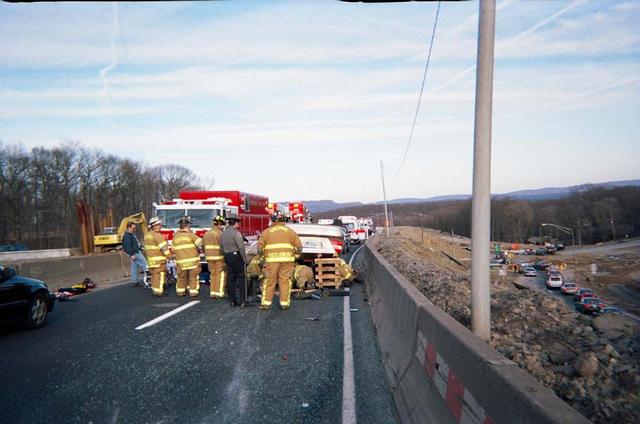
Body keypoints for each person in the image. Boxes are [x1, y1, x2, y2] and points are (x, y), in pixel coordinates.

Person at [257, 211, 302, 311]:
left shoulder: (266, 232)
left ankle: (266, 304)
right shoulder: (290, 231)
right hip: (287, 261)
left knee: (269, 281)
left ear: (272, 220)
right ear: (283, 219)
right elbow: (299, 247)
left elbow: (259, 249)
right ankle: (284, 304)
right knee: (285, 281)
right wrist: (295, 257)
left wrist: (262, 258)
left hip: (271, 262)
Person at [172, 216, 202, 297]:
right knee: (193, 277)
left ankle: (180, 292)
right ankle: (193, 292)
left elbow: (173, 249)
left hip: (181, 262)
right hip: (192, 262)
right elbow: (201, 243)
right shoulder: (191, 235)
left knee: (181, 277)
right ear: (187, 225)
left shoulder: (175, 237)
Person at [221, 217, 247, 307]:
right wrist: (244, 258)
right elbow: (241, 247)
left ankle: (232, 300)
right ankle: (243, 300)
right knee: (241, 278)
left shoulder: (223, 233)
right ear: (235, 224)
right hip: (236, 256)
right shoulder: (236, 233)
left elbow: (221, 246)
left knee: (231, 278)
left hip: (227, 256)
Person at [144, 217, 171, 297]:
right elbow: (164, 248)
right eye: (159, 225)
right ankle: (159, 291)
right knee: (160, 275)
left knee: (154, 276)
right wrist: (169, 256)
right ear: (155, 225)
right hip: (159, 260)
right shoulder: (157, 236)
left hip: (151, 260)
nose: (160, 226)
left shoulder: (147, 235)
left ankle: (155, 289)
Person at [203, 215, 227, 299]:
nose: (223, 227)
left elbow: (203, 246)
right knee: (220, 275)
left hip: (209, 258)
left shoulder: (206, 233)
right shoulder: (221, 234)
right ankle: (219, 293)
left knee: (212, 275)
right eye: (222, 225)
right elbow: (223, 246)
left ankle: (212, 293)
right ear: (219, 224)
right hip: (219, 258)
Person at [122, 221, 148, 287]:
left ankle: (134, 281)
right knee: (145, 265)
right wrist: (131, 254)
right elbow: (127, 246)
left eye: (135, 228)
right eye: (133, 228)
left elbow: (135, 243)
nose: (135, 230)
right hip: (135, 253)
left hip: (135, 252)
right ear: (129, 228)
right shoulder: (127, 236)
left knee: (134, 267)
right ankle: (149, 279)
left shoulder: (131, 235)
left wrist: (140, 248)